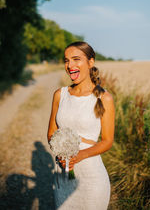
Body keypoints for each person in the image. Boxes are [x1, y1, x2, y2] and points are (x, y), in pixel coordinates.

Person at [47, 41, 115, 210]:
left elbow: (107, 141)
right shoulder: (59, 95)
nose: (70, 65)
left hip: (92, 179)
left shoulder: (104, 98)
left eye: (76, 59)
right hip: (63, 177)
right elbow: (51, 133)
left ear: (90, 62)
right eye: (66, 60)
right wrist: (60, 152)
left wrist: (80, 155)